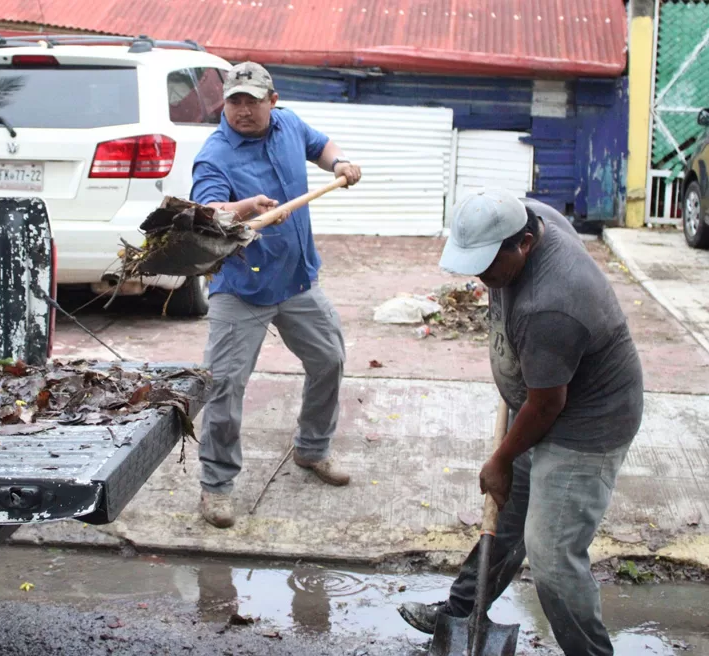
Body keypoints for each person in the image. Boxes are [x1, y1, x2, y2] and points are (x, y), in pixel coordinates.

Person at [398, 189, 644, 656]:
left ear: (525, 243)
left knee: (551, 556)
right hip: (541, 400)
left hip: (586, 423)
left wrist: (502, 457)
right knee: (508, 514)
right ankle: (462, 613)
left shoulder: (552, 304)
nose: (480, 274)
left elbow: (548, 404)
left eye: (489, 264)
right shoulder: (532, 215)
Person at [191, 62, 363, 529]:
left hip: (296, 280)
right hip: (241, 287)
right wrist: (244, 207)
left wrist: (339, 162)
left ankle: (311, 450)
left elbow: (320, 146)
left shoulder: (288, 124)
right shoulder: (215, 155)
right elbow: (206, 211)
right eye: (234, 101)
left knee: (329, 359)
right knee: (225, 385)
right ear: (224, 103)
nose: (243, 111)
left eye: (252, 100)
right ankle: (217, 486)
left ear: (272, 99)